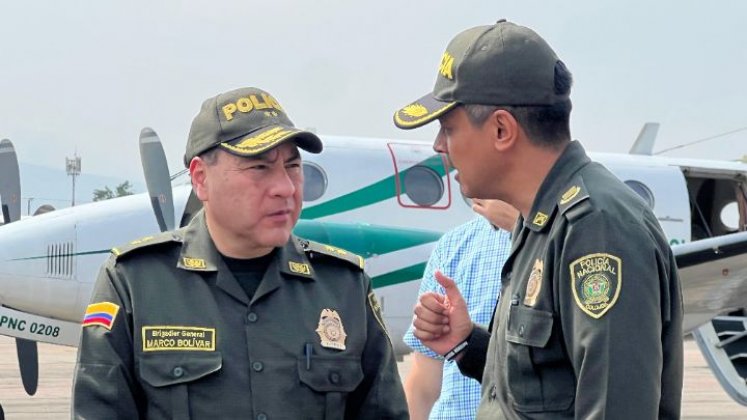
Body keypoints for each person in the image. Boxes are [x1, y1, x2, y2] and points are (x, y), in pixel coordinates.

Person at [394, 20, 683, 419]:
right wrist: (467, 344)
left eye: (448, 128)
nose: (439, 146)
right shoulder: (541, 225)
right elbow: (546, 387)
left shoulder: (595, 228)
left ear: (501, 129)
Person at [72, 86, 408, 419]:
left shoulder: (344, 287)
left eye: (293, 167)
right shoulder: (135, 282)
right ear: (201, 179)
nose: (286, 188)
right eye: (259, 168)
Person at [403, 199, 516, 420]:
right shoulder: (454, 244)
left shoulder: (572, 238)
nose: (456, 174)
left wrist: (524, 228)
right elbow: (424, 384)